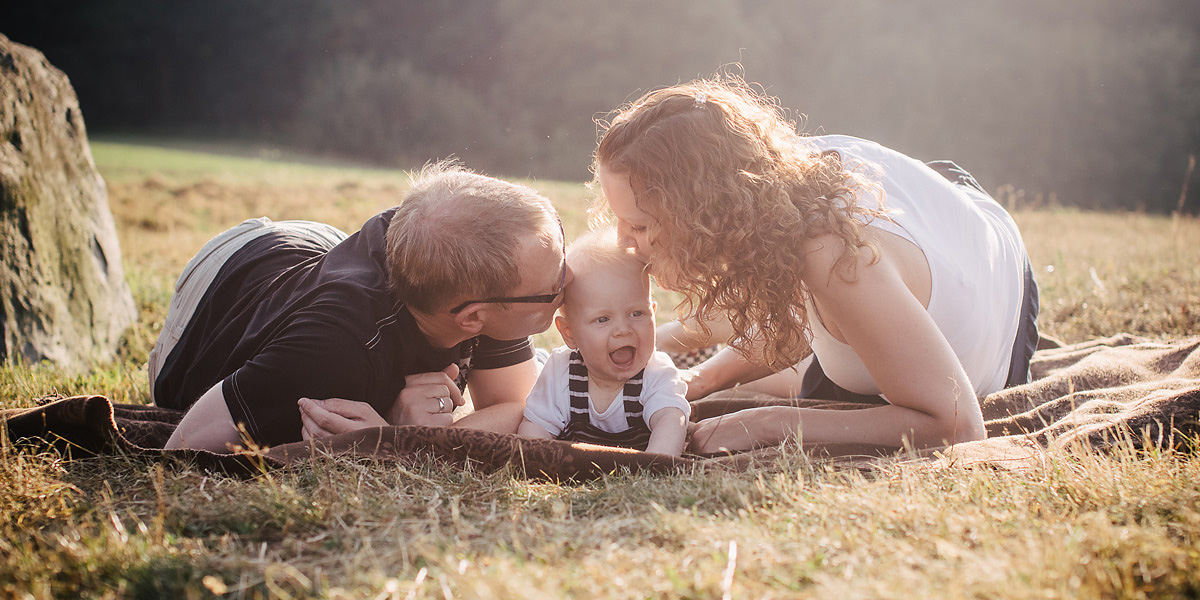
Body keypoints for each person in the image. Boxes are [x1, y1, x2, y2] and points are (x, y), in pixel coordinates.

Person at [592, 76, 1039, 454]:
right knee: (823, 359)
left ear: (701, 211)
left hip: (1002, 289)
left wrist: (766, 424)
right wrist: (700, 379)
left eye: (638, 224)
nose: (623, 241)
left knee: (823, 385)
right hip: (936, 210)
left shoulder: (837, 258)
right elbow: (782, 316)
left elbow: (958, 426)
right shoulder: (766, 179)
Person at [152, 163, 570, 452]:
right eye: (551, 288)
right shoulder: (332, 350)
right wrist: (393, 437)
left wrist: (411, 435)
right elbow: (183, 446)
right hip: (220, 286)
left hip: (316, 249)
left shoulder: (451, 262)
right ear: (473, 317)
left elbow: (519, 409)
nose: (569, 282)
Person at [517, 227, 690, 455]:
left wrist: (655, 464)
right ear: (569, 333)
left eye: (636, 313)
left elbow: (670, 420)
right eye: (602, 319)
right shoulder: (561, 372)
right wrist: (531, 461)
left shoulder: (656, 373)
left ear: (653, 313)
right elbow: (535, 428)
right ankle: (537, 358)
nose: (622, 330)